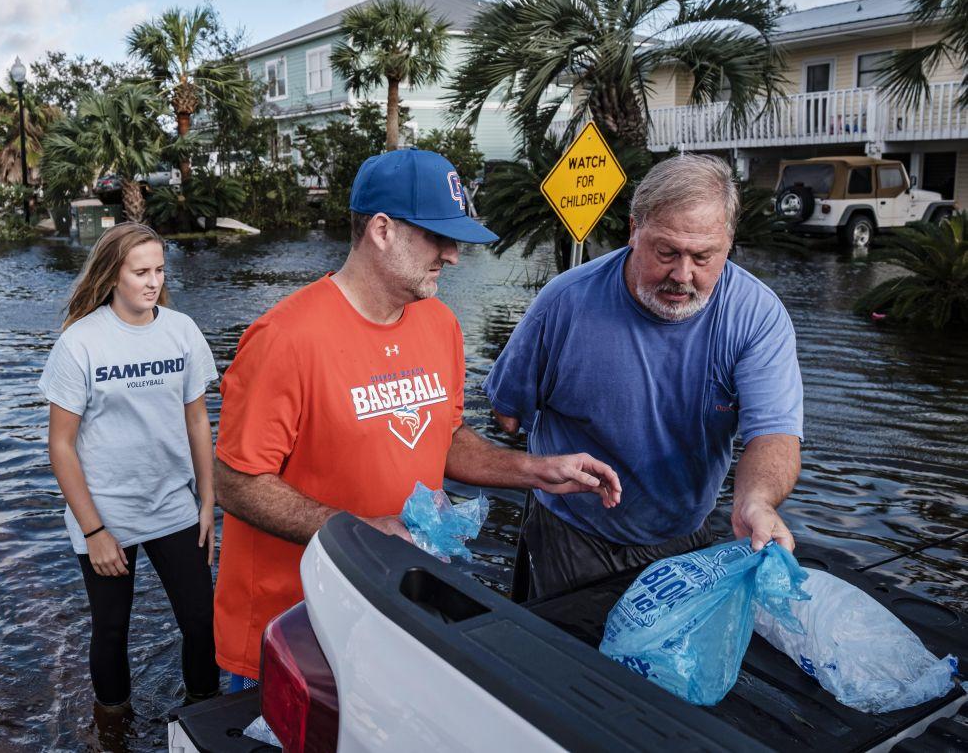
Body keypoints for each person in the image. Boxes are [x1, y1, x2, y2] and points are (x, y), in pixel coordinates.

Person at [212, 148, 623, 684]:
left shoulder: (440, 324)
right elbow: (235, 483)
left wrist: (537, 471)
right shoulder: (286, 339)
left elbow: (443, 435)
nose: (453, 255)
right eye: (437, 237)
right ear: (381, 230)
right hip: (290, 630)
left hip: (391, 610)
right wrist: (355, 532)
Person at [484, 154, 804, 601]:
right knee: (564, 663)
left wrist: (757, 502)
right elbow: (507, 414)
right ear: (634, 230)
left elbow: (773, 433)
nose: (682, 274)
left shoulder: (757, 316)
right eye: (667, 252)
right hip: (571, 531)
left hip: (683, 536)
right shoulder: (566, 301)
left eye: (703, 257)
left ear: (729, 243)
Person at [39, 222, 220, 712]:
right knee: (113, 627)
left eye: (159, 270)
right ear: (112, 274)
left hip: (172, 504)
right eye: (140, 271)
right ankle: (113, 727)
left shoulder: (182, 331)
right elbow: (61, 445)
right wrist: (94, 530)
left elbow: (198, 420)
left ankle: (203, 716)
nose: (153, 281)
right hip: (106, 512)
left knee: (203, 621)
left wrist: (207, 500)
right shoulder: (81, 342)